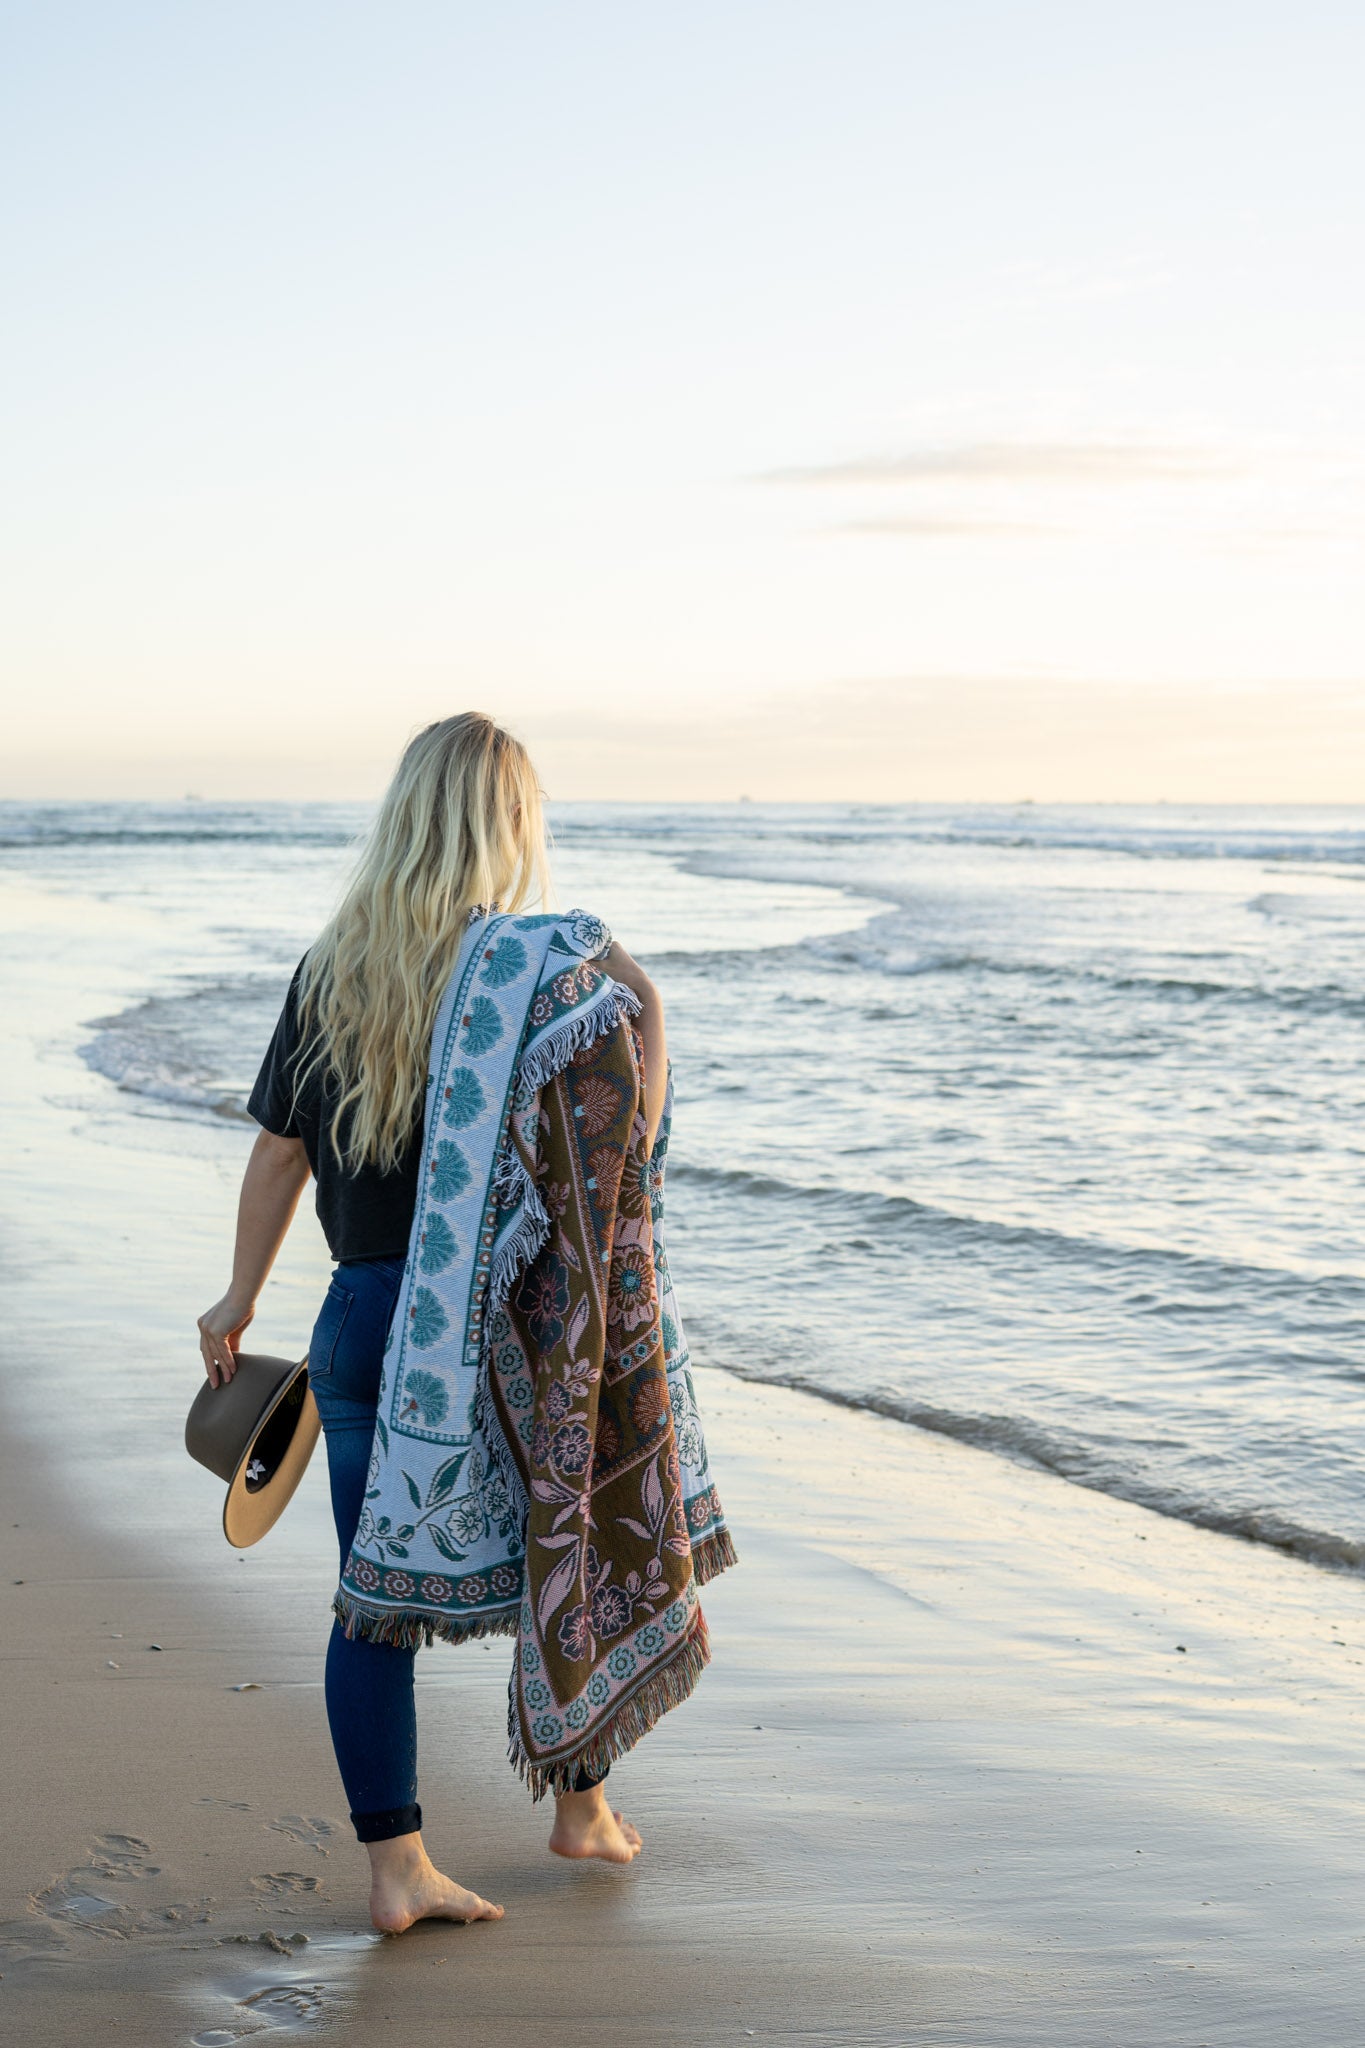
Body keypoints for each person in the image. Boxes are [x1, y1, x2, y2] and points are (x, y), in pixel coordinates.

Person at [195, 714, 671, 1934]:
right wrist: (640, 995)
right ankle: (581, 1809)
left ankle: (398, 1865)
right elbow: (626, 1133)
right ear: (510, 825)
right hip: (499, 1315)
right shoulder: (534, 973)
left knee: (373, 1598)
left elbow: (279, 1152)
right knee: (556, 1542)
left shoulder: (335, 963)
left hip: (364, 1318)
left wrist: (239, 1298)